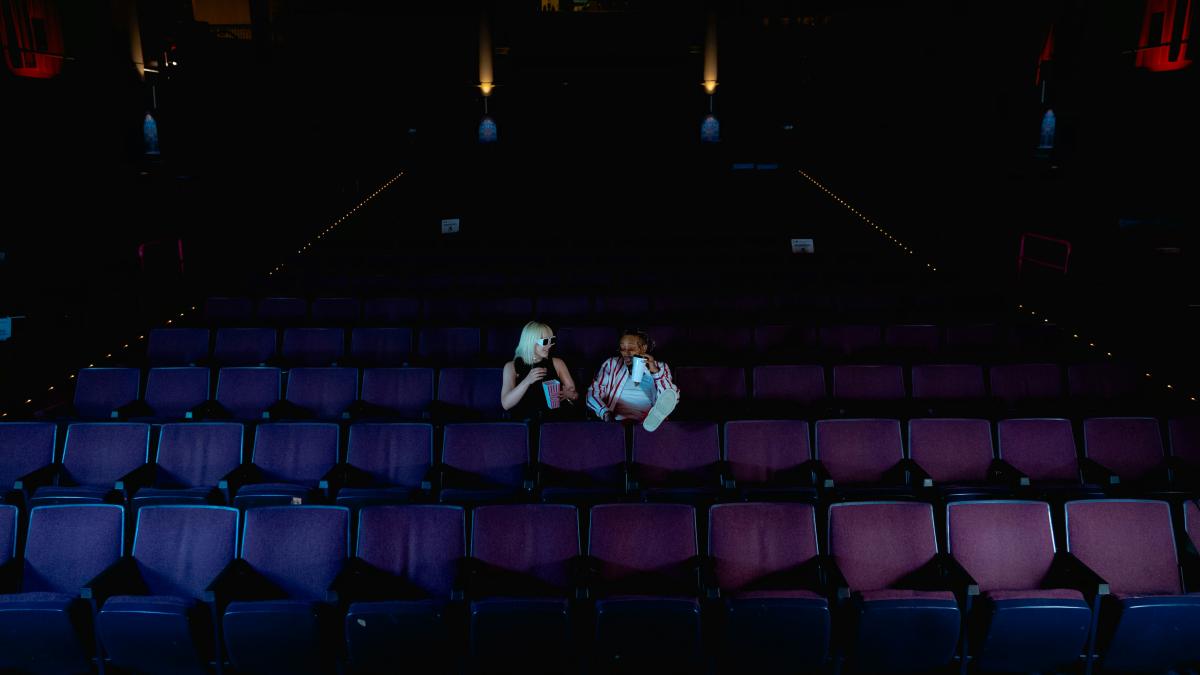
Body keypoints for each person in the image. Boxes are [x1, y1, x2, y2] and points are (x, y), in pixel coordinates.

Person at [586, 328, 679, 432]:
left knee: (672, 394)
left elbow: (669, 397)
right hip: (616, 421)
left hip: (648, 423)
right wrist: (605, 413)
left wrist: (654, 371)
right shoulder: (611, 364)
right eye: (622, 349)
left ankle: (655, 417)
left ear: (643, 348)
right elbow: (593, 394)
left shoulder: (659, 367)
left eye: (630, 349)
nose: (626, 353)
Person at [501, 321, 579, 420]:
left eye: (552, 340)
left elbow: (575, 395)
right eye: (545, 341)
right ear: (530, 342)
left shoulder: (557, 363)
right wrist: (527, 381)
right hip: (525, 423)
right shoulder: (511, 367)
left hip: (554, 421)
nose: (550, 345)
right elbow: (506, 404)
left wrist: (569, 395)